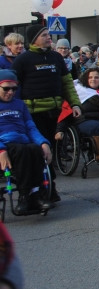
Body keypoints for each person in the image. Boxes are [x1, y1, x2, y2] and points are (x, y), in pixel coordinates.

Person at [13, 24, 81, 203]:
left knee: (49, 149)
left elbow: (67, 83)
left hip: (54, 111)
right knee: (41, 150)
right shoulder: (23, 60)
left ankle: (48, 187)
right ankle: (45, 189)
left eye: (48, 34)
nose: (48, 37)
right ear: (34, 38)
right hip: (32, 113)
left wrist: (75, 104)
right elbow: (13, 88)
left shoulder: (56, 57)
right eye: (44, 35)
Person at [0, 71, 53, 214]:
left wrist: (43, 143)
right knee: (22, 151)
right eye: (6, 88)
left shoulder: (20, 104)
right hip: (5, 143)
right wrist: (1, 150)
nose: (10, 92)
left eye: (14, 89)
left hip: (23, 140)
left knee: (35, 149)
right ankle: (24, 196)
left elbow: (30, 127)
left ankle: (36, 195)